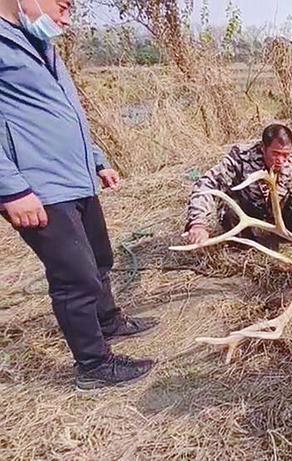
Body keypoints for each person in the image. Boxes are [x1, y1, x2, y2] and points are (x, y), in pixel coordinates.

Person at [0, 0, 156, 391]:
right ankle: (93, 363)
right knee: (76, 277)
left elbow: (66, 110)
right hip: (38, 187)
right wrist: (11, 189)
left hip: (76, 177)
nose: (67, 17)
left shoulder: (38, 42)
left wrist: (98, 160)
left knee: (100, 259)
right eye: (64, 6)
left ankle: (109, 322)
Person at [185, 123, 292, 246]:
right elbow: (207, 184)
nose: (281, 160)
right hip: (248, 212)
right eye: (275, 153)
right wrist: (198, 223)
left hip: (277, 217)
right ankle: (242, 244)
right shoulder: (241, 158)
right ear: (263, 148)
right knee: (229, 211)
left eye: (285, 155)